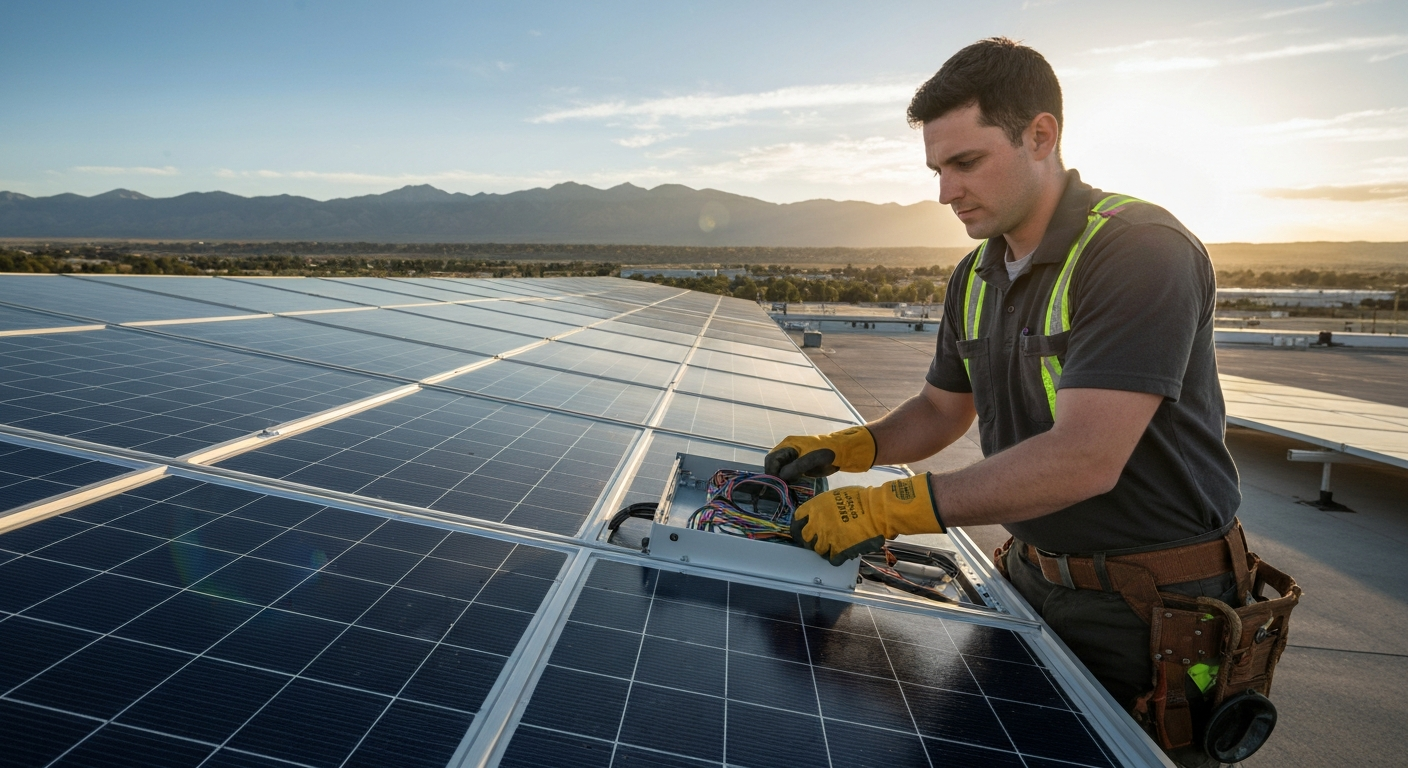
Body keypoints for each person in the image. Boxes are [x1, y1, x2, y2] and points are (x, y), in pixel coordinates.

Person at [766, 38, 1245, 768]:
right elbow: (939, 411)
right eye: (936, 169)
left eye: (966, 163)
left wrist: (892, 507)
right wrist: (852, 446)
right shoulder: (977, 274)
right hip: (1028, 574)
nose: (945, 193)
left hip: (1147, 607)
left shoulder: (1138, 250)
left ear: (1041, 136)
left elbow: (1086, 458)